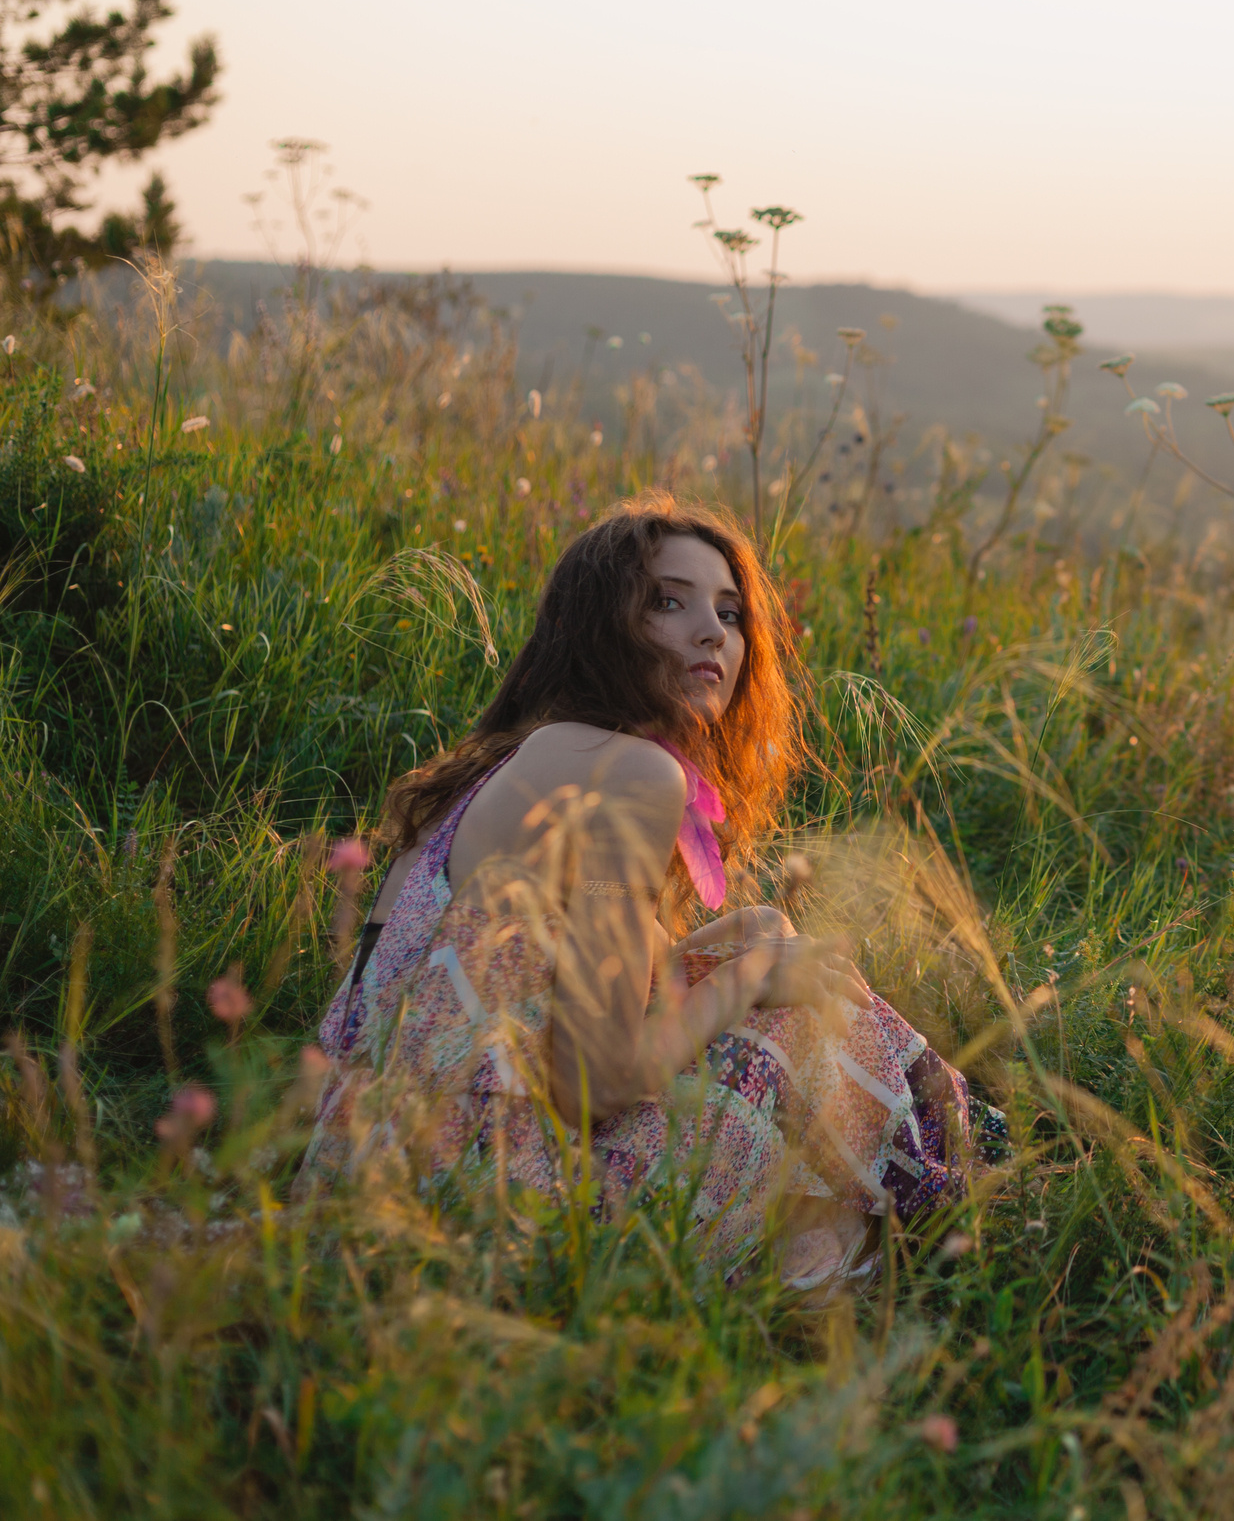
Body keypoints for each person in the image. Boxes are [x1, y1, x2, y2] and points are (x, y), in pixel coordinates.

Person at [298, 493, 976, 1287]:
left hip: (364, 1187)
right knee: (797, 1015)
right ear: (600, 629)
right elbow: (598, 1083)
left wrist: (723, 953)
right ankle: (930, 1196)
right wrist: (755, 979)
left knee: (766, 954)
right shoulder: (632, 772)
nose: (710, 634)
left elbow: (548, 994)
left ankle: (886, 1212)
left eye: (729, 613)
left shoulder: (529, 759)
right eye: (666, 601)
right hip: (488, 1218)